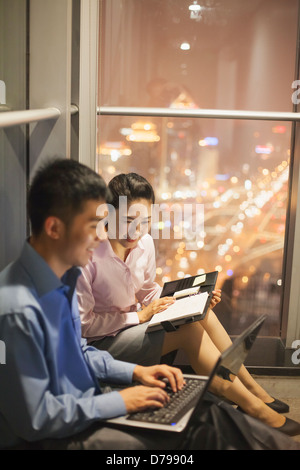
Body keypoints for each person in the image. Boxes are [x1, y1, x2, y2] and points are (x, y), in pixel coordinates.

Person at [1, 159, 299, 451]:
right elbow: (37, 421)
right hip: (60, 432)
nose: (101, 236)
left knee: (210, 414)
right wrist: (120, 401)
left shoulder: (55, 283)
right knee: (202, 431)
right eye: (94, 226)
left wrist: (134, 374)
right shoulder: (19, 309)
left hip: (87, 397)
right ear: (54, 228)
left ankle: (253, 405)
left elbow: (78, 352)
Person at [77, 172, 300, 436]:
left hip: (131, 328)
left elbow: (148, 291)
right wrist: (139, 317)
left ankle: (251, 388)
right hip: (101, 344)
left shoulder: (144, 243)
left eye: (145, 221)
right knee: (190, 331)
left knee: (201, 312)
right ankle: (253, 407)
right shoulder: (88, 254)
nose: (135, 230)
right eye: (127, 220)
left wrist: (189, 300)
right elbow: (83, 325)